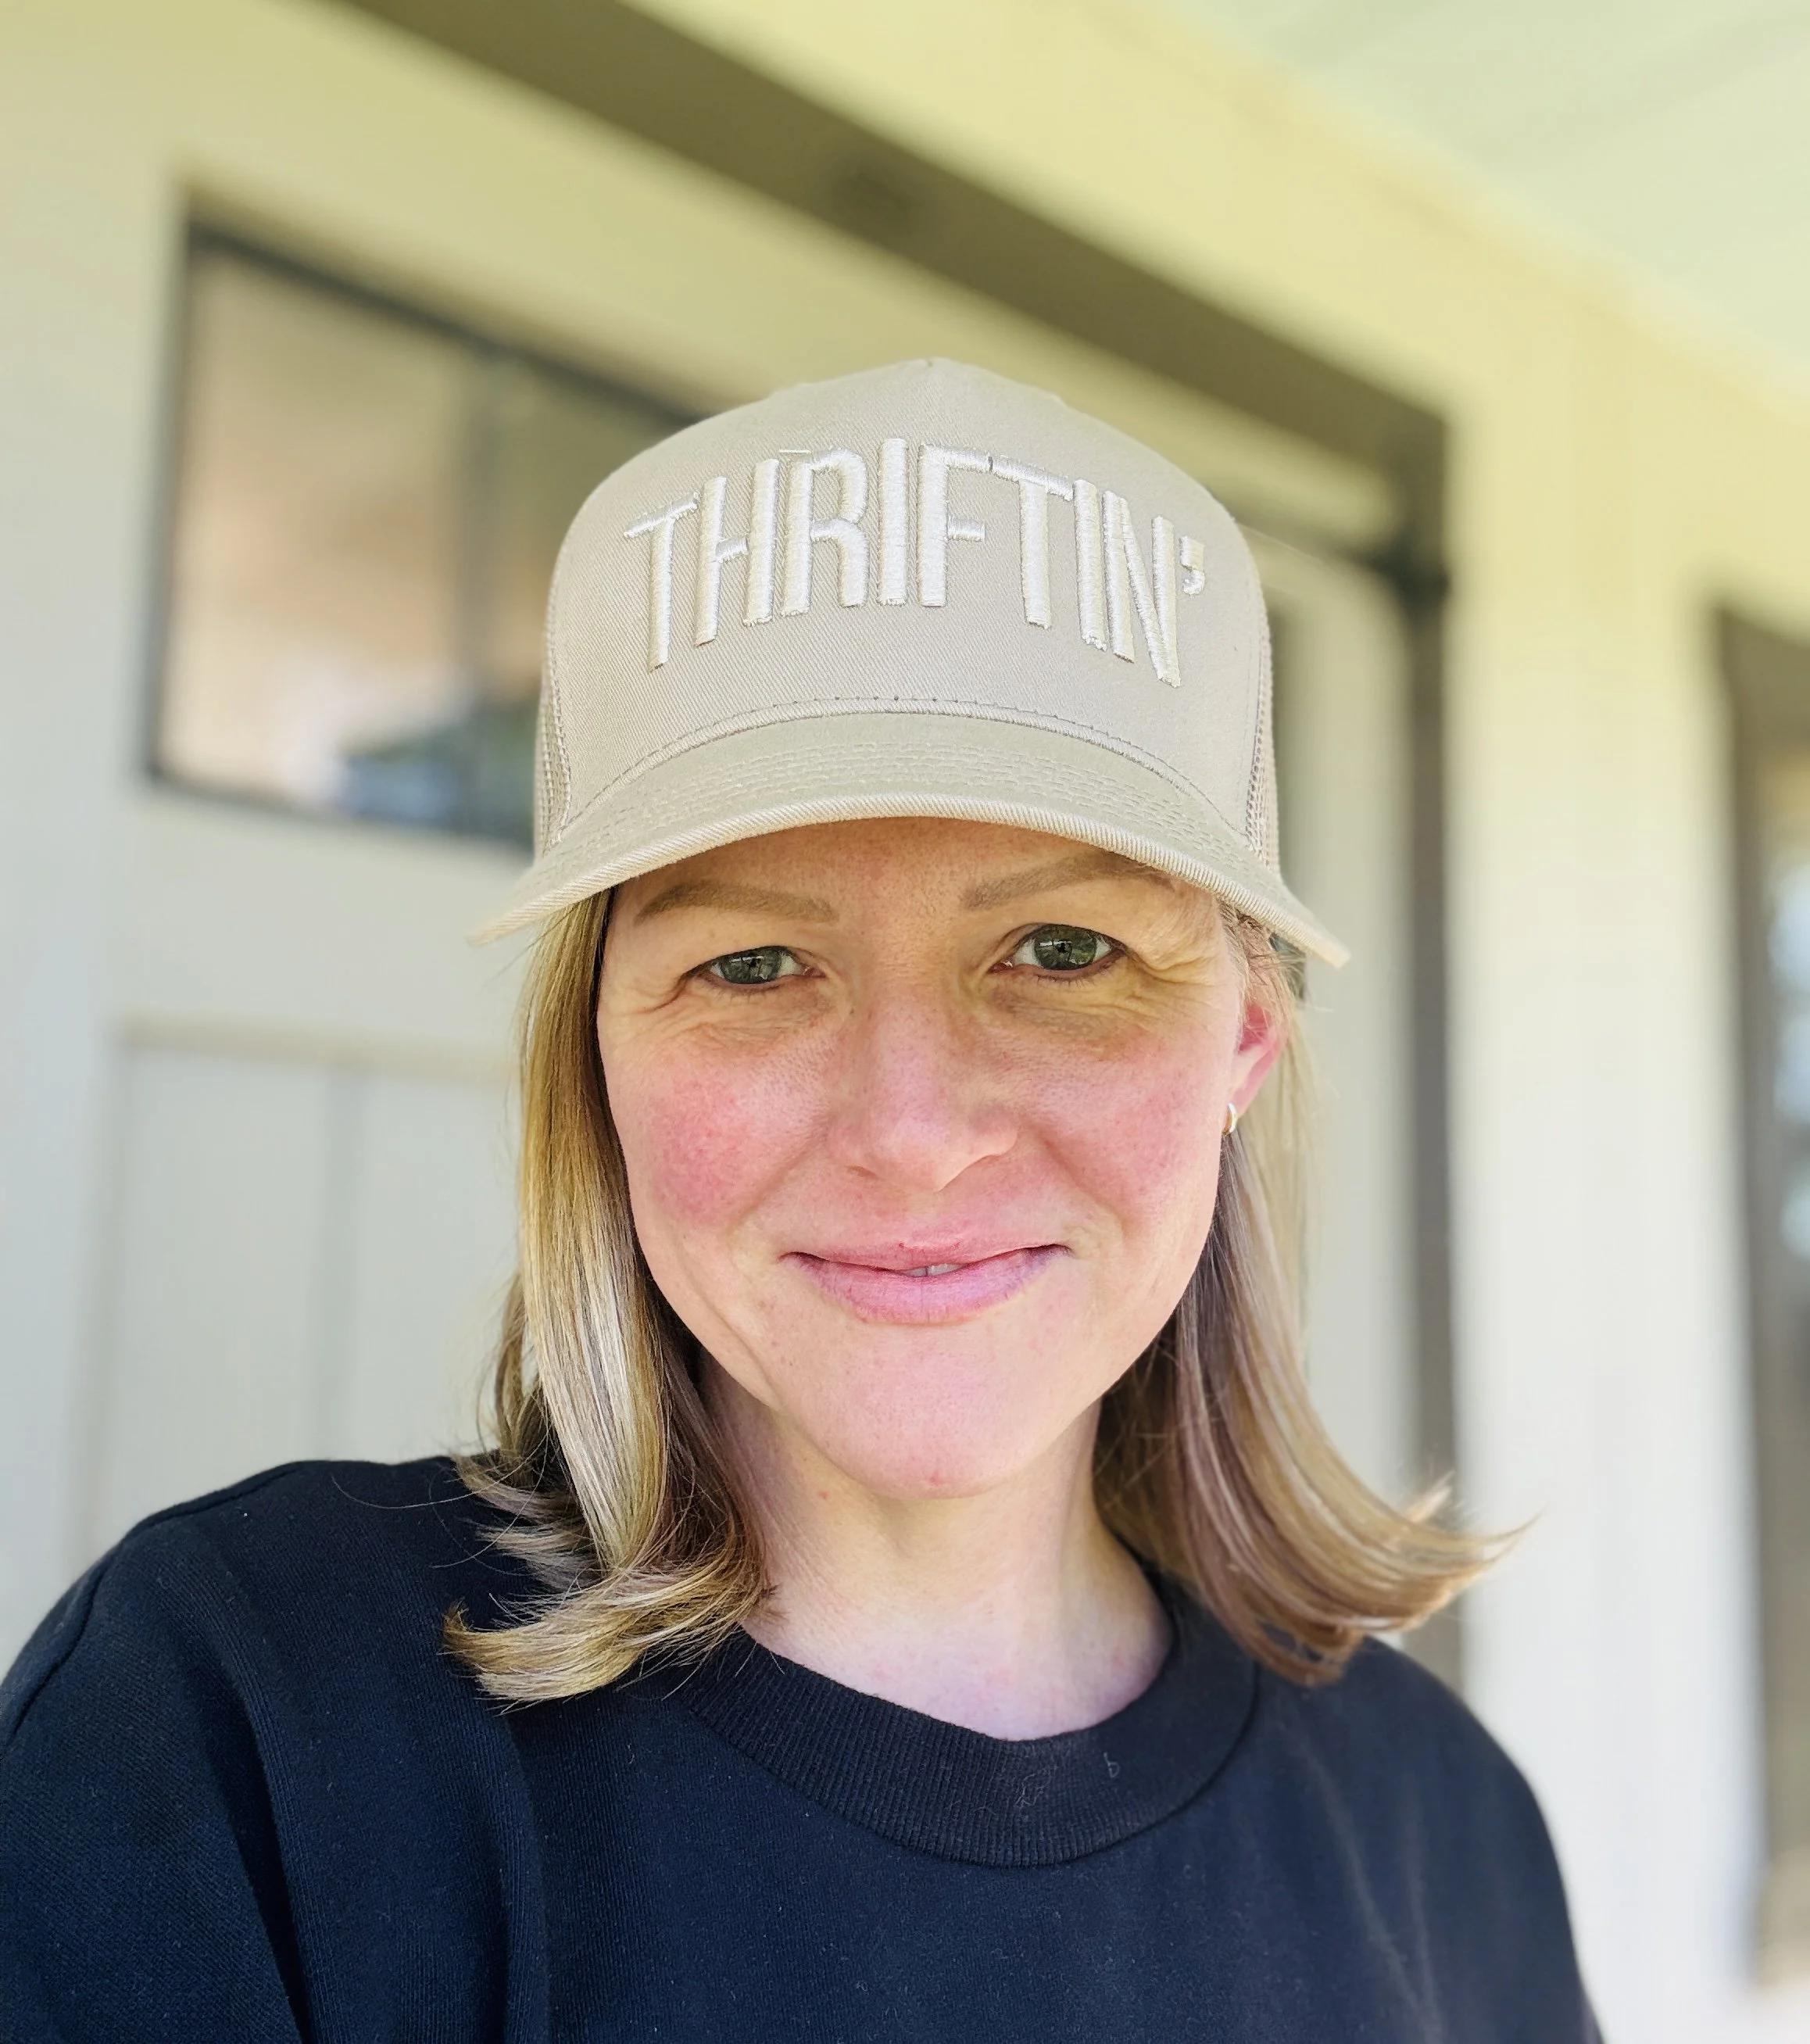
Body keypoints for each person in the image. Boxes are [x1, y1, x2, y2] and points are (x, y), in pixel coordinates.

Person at [0, 360, 1597, 2039]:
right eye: (754, 963)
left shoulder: (1446, 1839)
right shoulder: (240, 1735)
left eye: (1063, 950)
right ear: (598, 1058)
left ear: (1246, 1038)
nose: (910, 1134)